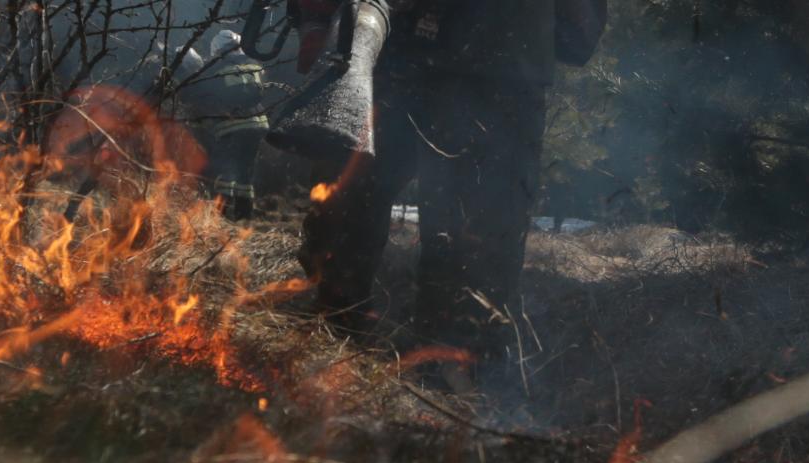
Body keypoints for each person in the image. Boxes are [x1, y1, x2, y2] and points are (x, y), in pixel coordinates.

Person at [296, 0, 606, 402]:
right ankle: (335, 353)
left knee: (472, 253)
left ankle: (452, 387)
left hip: (487, 64)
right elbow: (576, 37)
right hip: (399, 54)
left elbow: (577, 37)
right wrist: (316, 19)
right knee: (345, 223)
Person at [171, 29, 279, 220]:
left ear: (218, 50)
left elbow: (196, 93)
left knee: (225, 169)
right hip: (259, 125)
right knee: (245, 170)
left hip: (233, 126)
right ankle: (244, 214)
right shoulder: (254, 65)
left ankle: (222, 214)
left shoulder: (216, 70)